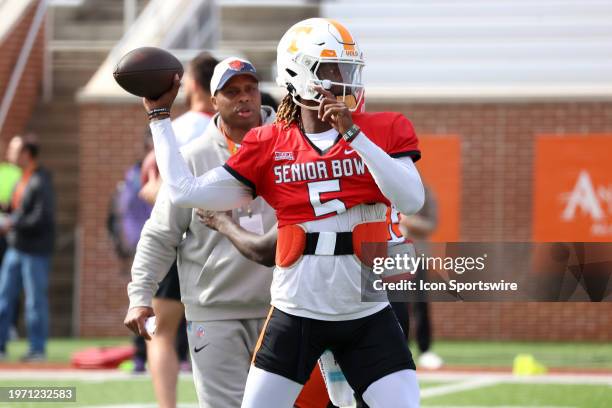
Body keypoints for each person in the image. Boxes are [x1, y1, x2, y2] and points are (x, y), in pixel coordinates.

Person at [143, 17, 424, 408]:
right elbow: (184, 192)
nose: (347, 79)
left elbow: (412, 199)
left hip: (366, 308)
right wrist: (159, 119)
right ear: (301, 74)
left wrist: (353, 135)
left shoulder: (382, 128)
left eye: (348, 68)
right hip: (297, 311)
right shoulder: (268, 143)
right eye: (332, 69)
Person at [124, 57, 278, 408]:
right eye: (232, 91)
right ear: (214, 101)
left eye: (250, 89)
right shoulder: (191, 160)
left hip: (282, 308)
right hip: (214, 310)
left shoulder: (289, 147)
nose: (245, 98)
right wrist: (140, 296)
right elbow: (160, 234)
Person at [134, 52, 218, 408]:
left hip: (178, 237)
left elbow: (155, 189)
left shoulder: (176, 128)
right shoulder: (228, 128)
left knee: (163, 333)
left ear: (192, 84)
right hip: (223, 241)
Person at [0, 135, 55, 361]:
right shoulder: (22, 178)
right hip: (16, 248)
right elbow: (19, 209)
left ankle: (37, 349)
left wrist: (13, 222)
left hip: (35, 251)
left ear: (26, 154)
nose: (10, 154)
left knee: (34, 302)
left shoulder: (41, 180)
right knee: (3, 297)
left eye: (15, 150)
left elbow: (42, 217)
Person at [399, 186, 444, 370]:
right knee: (396, 305)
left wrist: (408, 221)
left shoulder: (425, 192)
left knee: (420, 303)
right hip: (394, 255)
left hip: (419, 255)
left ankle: (425, 350)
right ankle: (400, 348)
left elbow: (431, 224)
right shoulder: (388, 187)